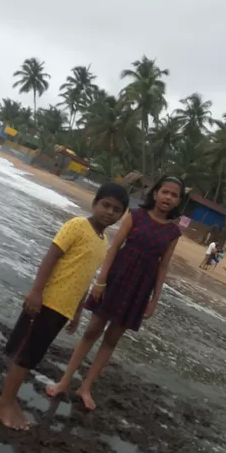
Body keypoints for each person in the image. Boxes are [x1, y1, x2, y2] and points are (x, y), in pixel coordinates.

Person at [0, 182, 129, 430]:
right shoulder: (77, 225)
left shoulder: (103, 242)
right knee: (24, 355)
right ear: (95, 203)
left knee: (32, 357)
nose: (109, 212)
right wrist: (36, 292)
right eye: (105, 205)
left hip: (63, 310)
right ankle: (4, 402)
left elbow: (85, 277)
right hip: (46, 301)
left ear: (121, 215)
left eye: (116, 209)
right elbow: (51, 256)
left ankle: (10, 400)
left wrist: (77, 311)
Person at [47, 175, 185, 410]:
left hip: (140, 288)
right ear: (155, 193)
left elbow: (163, 267)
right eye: (165, 192)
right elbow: (113, 249)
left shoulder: (173, 233)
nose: (168, 197)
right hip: (116, 278)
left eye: (174, 195)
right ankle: (65, 381)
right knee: (92, 331)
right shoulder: (136, 216)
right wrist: (100, 281)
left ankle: (86, 387)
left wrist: (154, 299)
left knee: (112, 339)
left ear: (178, 201)